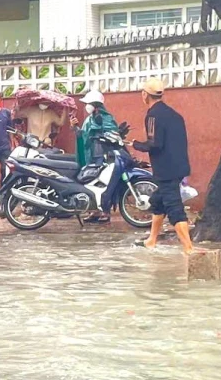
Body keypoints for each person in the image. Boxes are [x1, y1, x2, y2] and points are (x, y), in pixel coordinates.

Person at [133, 78, 195, 253]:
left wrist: (135, 144)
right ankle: (151, 240)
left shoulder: (152, 115)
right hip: (179, 166)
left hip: (166, 170)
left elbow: (155, 144)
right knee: (157, 201)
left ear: (145, 95)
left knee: (174, 207)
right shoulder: (174, 114)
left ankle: (189, 248)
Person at [77, 90, 121, 168]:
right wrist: (75, 127)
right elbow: (84, 134)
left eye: (89, 104)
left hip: (103, 153)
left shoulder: (107, 118)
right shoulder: (89, 119)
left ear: (96, 104)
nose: (86, 106)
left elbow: (112, 132)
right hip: (90, 153)